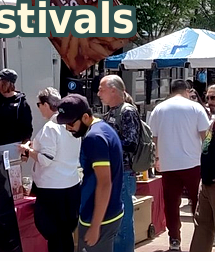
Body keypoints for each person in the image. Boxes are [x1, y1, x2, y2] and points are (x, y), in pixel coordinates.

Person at [54, 94, 124, 252]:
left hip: (99, 216)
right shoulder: (103, 128)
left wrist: (95, 226)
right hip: (107, 212)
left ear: (85, 117)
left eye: (70, 123)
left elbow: (105, 183)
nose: (67, 127)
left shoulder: (94, 138)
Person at [148, 80, 211, 251]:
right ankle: (203, 235)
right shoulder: (196, 108)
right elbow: (206, 136)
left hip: (169, 163)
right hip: (193, 163)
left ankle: (174, 239)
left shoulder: (159, 109)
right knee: (198, 201)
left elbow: (154, 138)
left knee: (171, 203)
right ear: (187, 91)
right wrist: (208, 157)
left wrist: (157, 159)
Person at [20, 88, 82, 251]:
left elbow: (46, 159)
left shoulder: (50, 127)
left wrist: (26, 150)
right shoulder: (71, 124)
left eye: (39, 104)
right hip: (71, 184)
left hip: (52, 189)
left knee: (55, 235)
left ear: (46, 104)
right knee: (65, 234)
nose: (38, 108)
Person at [96, 74, 140, 251]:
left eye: (101, 89)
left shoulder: (127, 111)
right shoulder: (110, 113)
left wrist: (105, 145)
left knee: (123, 223)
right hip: (113, 173)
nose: (98, 93)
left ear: (113, 90)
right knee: (114, 221)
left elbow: (131, 143)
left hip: (123, 173)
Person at [190, 86, 215, 252]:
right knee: (202, 228)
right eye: (207, 98)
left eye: (213, 98)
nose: (209, 102)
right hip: (206, 183)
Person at [0, 69, 34, 160]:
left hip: (10, 146)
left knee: (11, 173)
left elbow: (27, 128)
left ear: (6, 83)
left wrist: (25, 151)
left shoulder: (21, 103)